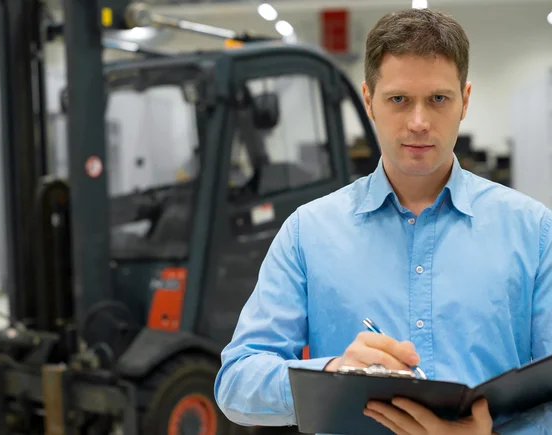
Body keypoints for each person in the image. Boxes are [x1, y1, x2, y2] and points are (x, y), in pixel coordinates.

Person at [214, 7, 552, 435]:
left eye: (438, 99)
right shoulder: (308, 233)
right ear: (369, 100)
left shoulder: (533, 232)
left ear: (465, 100)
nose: (418, 122)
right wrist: (333, 373)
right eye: (398, 100)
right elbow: (236, 382)